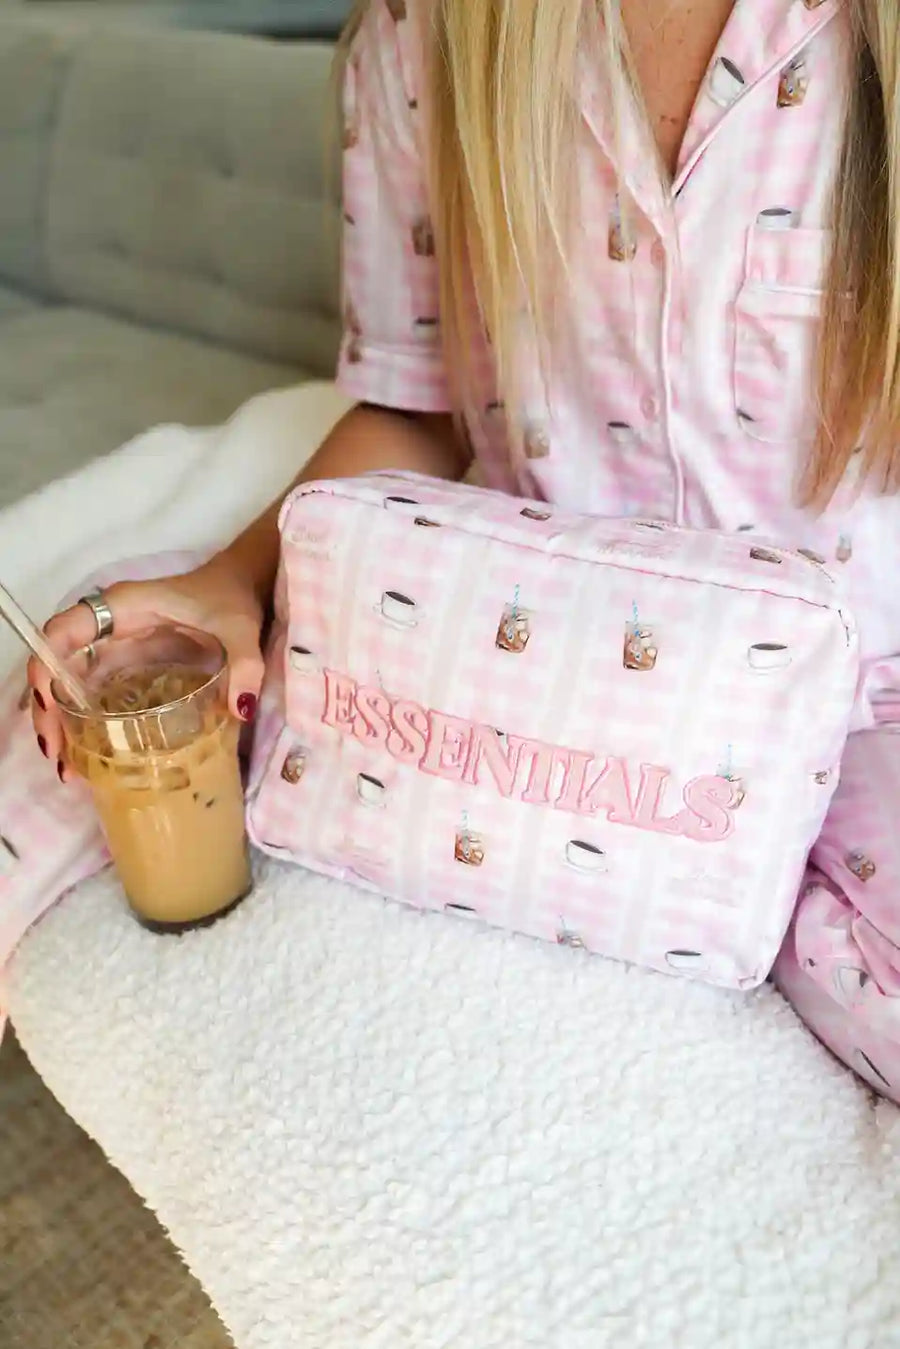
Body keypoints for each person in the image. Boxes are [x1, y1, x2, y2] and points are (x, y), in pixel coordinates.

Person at [27, 0, 900, 1102]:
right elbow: (417, 407)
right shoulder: (425, 32)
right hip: (547, 680)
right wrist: (231, 583)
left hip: (870, 694)